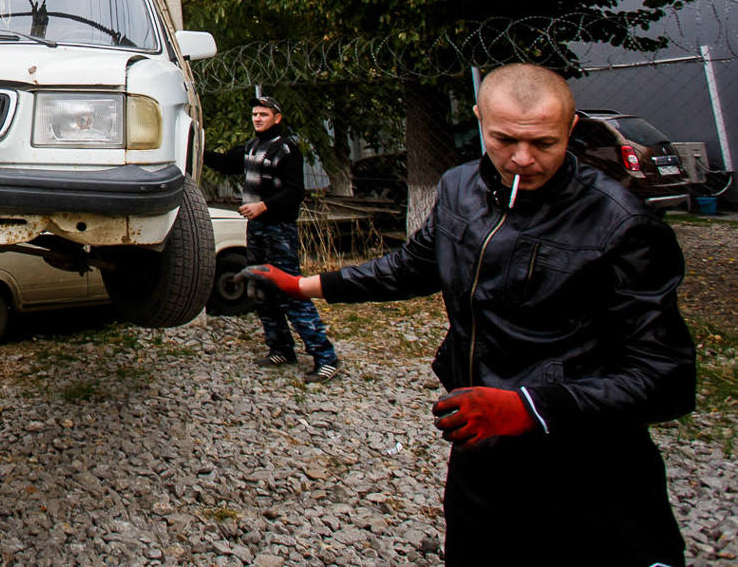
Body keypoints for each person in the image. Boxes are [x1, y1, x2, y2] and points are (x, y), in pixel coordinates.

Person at [245, 63, 696, 567]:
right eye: (505, 140)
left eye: (544, 143)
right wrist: (306, 285)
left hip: (588, 465)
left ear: (570, 129)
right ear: (481, 120)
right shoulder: (461, 188)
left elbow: (667, 377)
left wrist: (529, 407)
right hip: (482, 447)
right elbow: (412, 266)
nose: (523, 159)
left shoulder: (621, 223)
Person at [206, 94, 341, 380]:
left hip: (278, 229)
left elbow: (295, 192)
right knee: (260, 289)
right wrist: (192, 145)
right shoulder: (252, 147)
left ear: (277, 118)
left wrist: (263, 206)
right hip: (256, 230)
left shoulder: (286, 149)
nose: (257, 119)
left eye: (263, 114)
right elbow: (225, 163)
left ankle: (325, 358)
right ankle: (281, 348)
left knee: (290, 289)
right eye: (255, 114)